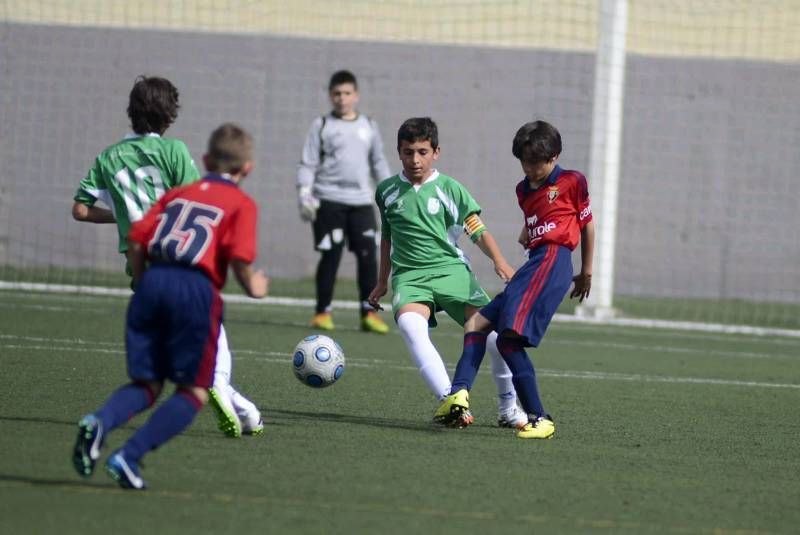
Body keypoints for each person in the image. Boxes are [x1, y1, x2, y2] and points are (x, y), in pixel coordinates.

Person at [72, 123, 269, 489]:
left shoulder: (178, 195)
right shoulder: (242, 203)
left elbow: (136, 238)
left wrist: (146, 279)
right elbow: (241, 262)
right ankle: (128, 456)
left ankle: (100, 422)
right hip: (194, 290)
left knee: (146, 383)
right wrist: (255, 285)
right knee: (193, 392)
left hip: (152, 283)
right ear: (247, 169)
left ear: (207, 160)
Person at [434, 120, 595, 439]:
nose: (531, 168)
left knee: (508, 339)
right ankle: (459, 394)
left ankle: (541, 418)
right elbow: (536, 217)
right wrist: (528, 232)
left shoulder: (573, 181)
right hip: (535, 262)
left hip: (553, 261)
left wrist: (586, 271)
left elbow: (587, 224)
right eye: (525, 161)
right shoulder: (523, 190)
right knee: (477, 324)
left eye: (537, 162)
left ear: (555, 156)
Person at [368, 117, 528, 428]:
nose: (415, 159)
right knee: (412, 328)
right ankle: (451, 402)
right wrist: (381, 281)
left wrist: (499, 260)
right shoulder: (387, 191)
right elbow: (387, 237)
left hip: (450, 272)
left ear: (436, 152)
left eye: (422, 152)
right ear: (398, 152)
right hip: (410, 277)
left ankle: (509, 407)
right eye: (408, 152)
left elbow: (476, 230)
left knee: (494, 337)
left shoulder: (449, 189)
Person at [296, 69, 392, 334]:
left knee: (369, 257)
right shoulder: (322, 125)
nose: (342, 98)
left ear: (356, 96)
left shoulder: (369, 126)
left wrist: (392, 191)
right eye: (337, 94)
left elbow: (378, 162)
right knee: (331, 256)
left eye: (347, 93)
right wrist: (305, 191)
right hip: (329, 201)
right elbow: (308, 162)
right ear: (330, 96)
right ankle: (322, 312)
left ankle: (369, 313)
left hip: (361, 202)